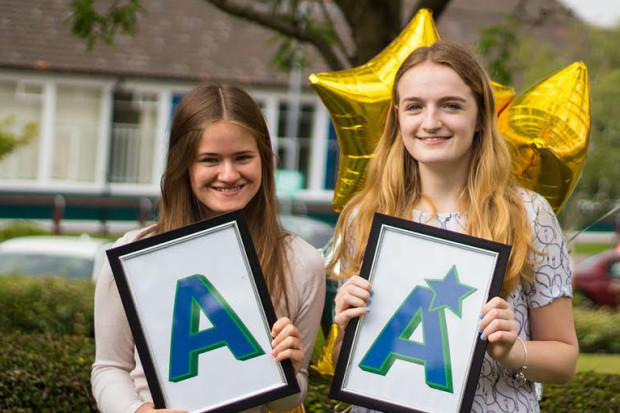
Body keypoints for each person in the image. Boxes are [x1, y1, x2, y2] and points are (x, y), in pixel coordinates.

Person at [328, 42, 578, 413]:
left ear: (480, 116)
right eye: (414, 106)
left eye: (451, 105)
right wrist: (346, 327)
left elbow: (564, 358)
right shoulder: (363, 216)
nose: (430, 122)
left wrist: (512, 351)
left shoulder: (528, 215)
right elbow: (345, 367)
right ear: (397, 117)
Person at [92, 83, 325, 413]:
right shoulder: (134, 254)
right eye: (210, 160)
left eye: (243, 157)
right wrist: (136, 411)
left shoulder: (302, 262)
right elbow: (109, 367)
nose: (228, 174)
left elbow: (290, 398)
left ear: (265, 160)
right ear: (183, 164)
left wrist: (287, 366)